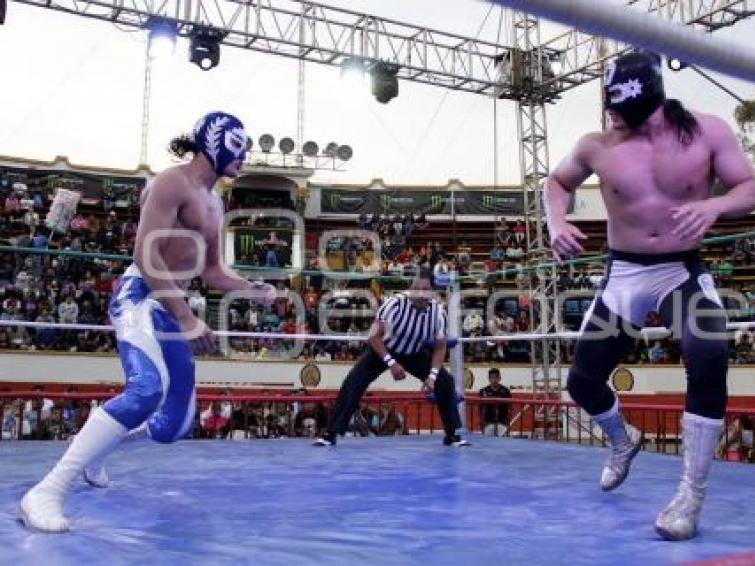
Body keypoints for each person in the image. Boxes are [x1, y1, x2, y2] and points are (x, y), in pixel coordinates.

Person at [20, 111, 277, 532]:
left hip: (169, 306)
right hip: (140, 294)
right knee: (146, 390)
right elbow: (145, 254)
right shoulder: (171, 183)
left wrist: (252, 288)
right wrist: (187, 317)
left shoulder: (215, 202)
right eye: (237, 146)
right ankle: (46, 491)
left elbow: (212, 270)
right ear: (213, 141)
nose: (244, 156)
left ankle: (98, 451)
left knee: (175, 423)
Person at [544, 51, 755, 541]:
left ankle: (690, 495)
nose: (614, 119)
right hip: (624, 274)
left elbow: (751, 189)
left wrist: (715, 206)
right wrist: (556, 222)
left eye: (623, 111)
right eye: (610, 109)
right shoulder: (597, 145)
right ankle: (622, 442)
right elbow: (556, 182)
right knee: (582, 382)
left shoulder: (706, 132)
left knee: (709, 351)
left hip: (678, 272)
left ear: (653, 102)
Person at [314, 268, 469, 447]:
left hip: (414, 352)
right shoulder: (394, 304)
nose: (419, 293)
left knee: (445, 381)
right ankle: (330, 433)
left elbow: (441, 346)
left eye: (424, 289)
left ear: (431, 292)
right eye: (415, 288)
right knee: (353, 382)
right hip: (383, 349)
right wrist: (391, 363)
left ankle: (452, 434)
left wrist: (432, 376)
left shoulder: (438, 313)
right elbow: (373, 336)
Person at [479, 368, 512, 436]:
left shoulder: (505, 391)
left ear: (500, 378)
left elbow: (510, 407)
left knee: (503, 441)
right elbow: (480, 408)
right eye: (492, 377)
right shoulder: (483, 391)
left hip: (502, 422)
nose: (494, 380)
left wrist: (508, 422)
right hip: (488, 422)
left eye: (496, 377)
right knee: (488, 441)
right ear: (489, 379)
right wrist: (481, 422)